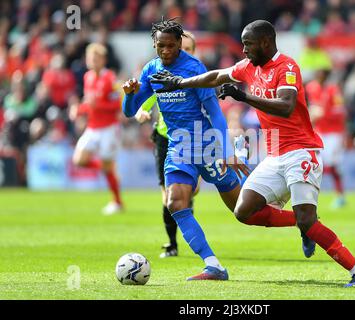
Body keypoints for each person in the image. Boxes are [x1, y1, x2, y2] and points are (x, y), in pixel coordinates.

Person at [151, 20, 355, 287]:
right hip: (276, 154)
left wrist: (243, 97)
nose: (244, 50)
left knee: (307, 219)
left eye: (248, 44)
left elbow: (286, 106)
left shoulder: (287, 67)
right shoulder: (248, 67)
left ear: (266, 43)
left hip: (302, 151)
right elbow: (216, 76)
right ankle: (304, 226)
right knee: (244, 211)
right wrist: (180, 83)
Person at [122, 18, 301, 281]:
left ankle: (300, 221)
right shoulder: (151, 70)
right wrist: (129, 93)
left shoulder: (193, 68)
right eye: (161, 46)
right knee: (175, 202)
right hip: (178, 148)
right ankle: (213, 265)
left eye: (171, 45)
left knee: (246, 213)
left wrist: (227, 151)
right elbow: (129, 111)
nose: (166, 51)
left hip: (208, 147)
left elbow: (215, 113)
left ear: (179, 44)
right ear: (155, 44)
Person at [134, 31, 199, 258]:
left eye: (188, 49)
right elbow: (150, 94)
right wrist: (142, 108)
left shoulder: (197, 74)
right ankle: (172, 244)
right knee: (168, 196)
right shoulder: (162, 73)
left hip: (193, 138)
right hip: (165, 138)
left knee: (190, 192)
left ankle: (190, 237)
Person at [70, 43, 124, 215]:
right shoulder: (88, 77)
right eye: (90, 58)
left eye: (96, 58)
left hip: (109, 128)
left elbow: (118, 104)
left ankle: (117, 202)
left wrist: (98, 104)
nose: (93, 61)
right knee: (79, 159)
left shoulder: (110, 78)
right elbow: (89, 105)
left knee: (107, 166)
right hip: (92, 127)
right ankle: (107, 169)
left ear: (103, 60)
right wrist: (78, 110)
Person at [305, 67, 347, 209]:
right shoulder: (311, 88)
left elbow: (340, 111)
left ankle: (339, 196)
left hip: (333, 132)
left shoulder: (333, 90)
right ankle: (311, 194)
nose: (319, 76)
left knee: (329, 164)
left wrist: (324, 113)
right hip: (319, 132)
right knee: (315, 163)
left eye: (321, 73)